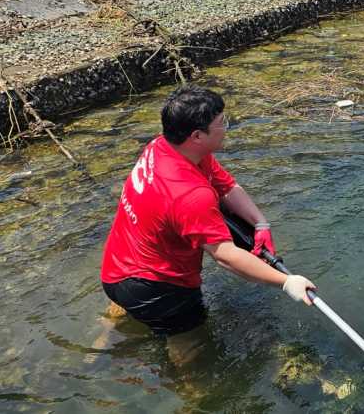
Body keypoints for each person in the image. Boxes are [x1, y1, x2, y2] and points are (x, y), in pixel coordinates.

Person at [100, 85, 316, 363]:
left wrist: (260, 223)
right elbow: (226, 256)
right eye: (221, 123)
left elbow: (225, 185)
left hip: (116, 267)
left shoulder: (164, 146)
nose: (227, 127)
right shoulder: (190, 195)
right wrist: (287, 282)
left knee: (128, 305)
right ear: (197, 136)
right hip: (158, 290)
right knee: (190, 348)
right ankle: (190, 399)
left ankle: (106, 334)